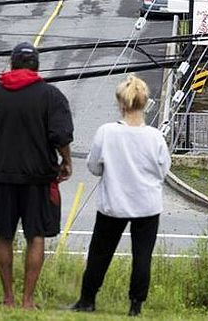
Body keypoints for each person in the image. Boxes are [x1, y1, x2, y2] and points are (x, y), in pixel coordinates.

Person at [0, 41, 74, 309]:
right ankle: (27, 301)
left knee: (3, 236)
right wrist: (66, 160)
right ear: (37, 67)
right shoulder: (51, 96)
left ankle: (8, 298)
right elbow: (61, 135)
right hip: (38, 179)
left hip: (1, 176)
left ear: (12, 64)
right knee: (36, 235)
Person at [71, 74, 171, 317]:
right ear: (144, 103)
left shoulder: (107, 132)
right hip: (147, 205)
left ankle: (87, 299)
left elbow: (94, 166)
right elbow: (163, 170)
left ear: (121, 103)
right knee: (142, 256)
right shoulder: (155, 136)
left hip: (113, 203)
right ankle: (135, 305)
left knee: (100, 252)